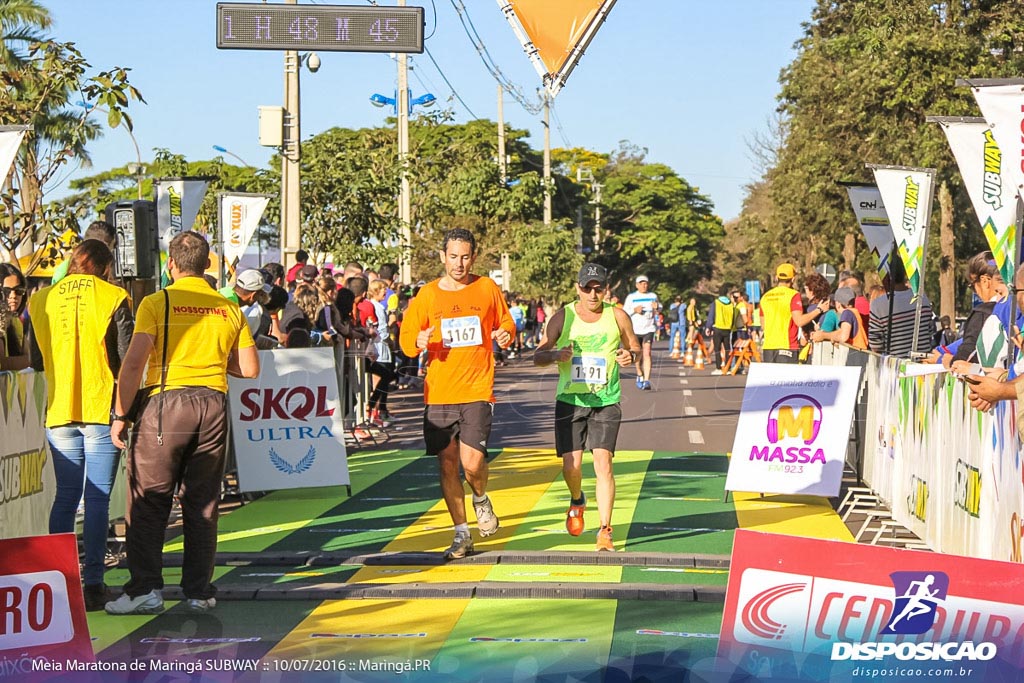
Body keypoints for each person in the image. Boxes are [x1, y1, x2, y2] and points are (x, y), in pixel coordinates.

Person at [105, 231, 259, 615]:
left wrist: (121, 415)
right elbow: (251, 369)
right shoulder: (230, 309)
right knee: (203, 503)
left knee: (149, 501)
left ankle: (145, 589)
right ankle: (198, 592)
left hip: (166, 401)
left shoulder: (157, 302)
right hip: (214, 403)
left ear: (170, 265)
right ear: (208, 265)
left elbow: (135, 363)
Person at [27, 240, 133, 611]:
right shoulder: (113, 296)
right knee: (98, 499)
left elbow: (36, 359)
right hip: (100, 406)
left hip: (58, 411)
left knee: (66, 498)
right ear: (105, 267)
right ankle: (92, 585)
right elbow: (124, 359)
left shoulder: (41, 299)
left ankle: (59, 581)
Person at [398, 228, 515, 560]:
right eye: (453, 256)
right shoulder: (428, 295)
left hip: (477, 388)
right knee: (448, 465)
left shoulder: (486, 287)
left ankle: (480, 497)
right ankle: (462, 534)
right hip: (439, 393)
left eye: (465, 257)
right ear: (442, 257)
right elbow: (406, 338)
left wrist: (505, 334)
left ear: (473, 257)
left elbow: (506, 323)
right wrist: (417, 342)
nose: (459, 263)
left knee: (473, 462)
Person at [533, 263, 640, 552]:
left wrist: (629, 355)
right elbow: (538, 356)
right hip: (570, 401)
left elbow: (634, 346)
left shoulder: (617, 315)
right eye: (587, 288)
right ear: (577, 288)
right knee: (573, 466)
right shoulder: (562, 317)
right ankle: (577, 499)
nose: (593, 294)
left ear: (607, 289)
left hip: (606, 401)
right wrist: (556, 354)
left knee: (603, 464)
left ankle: (605, 530)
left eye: (599, 288)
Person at [868, 257, 935, 358]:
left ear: (885, 276)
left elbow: (875, 345)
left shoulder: (878, 305)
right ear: (905, 272)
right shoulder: (922, 298)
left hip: (896, 366)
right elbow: (931, 331)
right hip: (923, 365)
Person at [759, 263, 821, 363]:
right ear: (793, 279)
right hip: (787, 346)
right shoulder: (793, 295)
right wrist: (819, 310)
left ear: (776, 277)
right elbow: (799, 321)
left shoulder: (765, 297)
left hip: (768, 347)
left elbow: (763, 325)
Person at [623, 274, 660, 390]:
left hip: (649, 328)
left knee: (647, 353)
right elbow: (624, 312)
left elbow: (659, 308)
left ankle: (647, 380)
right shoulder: (631, 297)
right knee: (637, 355)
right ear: (637, 285)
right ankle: (639, 373)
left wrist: (657, 307)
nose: (644, 285)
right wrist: (634, 310)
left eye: (646, 283)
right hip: (635, 330)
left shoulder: (652, 296)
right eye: (641, 283)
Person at [0, 262, 30, 370]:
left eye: (18, 291)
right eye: (6, 291)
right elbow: (1, 364)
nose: (13, 296)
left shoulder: (16, 322)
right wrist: (27, 360)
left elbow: (28, 357)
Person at [705, 288, 737, 375]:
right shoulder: (731, 303)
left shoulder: (716, 302)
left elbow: (711, 316)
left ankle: (718, 368)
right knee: (727, 349)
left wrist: (708, 327)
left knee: (717, 349)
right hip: (728, 329)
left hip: (718, 328)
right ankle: (728, 367)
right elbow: (733, 317)